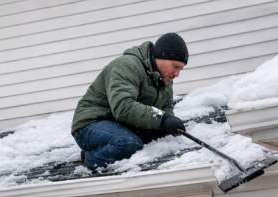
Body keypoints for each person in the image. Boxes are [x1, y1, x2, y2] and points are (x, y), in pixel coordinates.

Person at [71, 33, 189, 171]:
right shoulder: (127, 66)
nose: (177, 74)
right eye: (175, 66)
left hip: (120, 124)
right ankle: (91, 159)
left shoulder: (165, 79)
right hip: (90, 124)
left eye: (180, 69)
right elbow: (123, 107)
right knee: (128, 144)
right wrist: (162, 119)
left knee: (156, 138)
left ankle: (107, 148)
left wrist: (169, 123)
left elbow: (166, 107)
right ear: (160, 57)